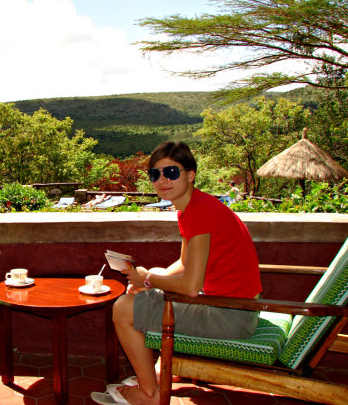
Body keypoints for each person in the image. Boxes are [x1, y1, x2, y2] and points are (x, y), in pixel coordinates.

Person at [92, 141, 262, 405]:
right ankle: (158, 374)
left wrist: (147, 278)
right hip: (238, 307)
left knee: (123, 309)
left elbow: (191, 286)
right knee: (151, 282)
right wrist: (147, 281)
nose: (162, 180)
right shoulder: (194, 208)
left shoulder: (199, 212)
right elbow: (183, 264)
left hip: (229, 315)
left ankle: (148, 393)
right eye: (155, 174)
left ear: (190, 174)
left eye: (171, 172)